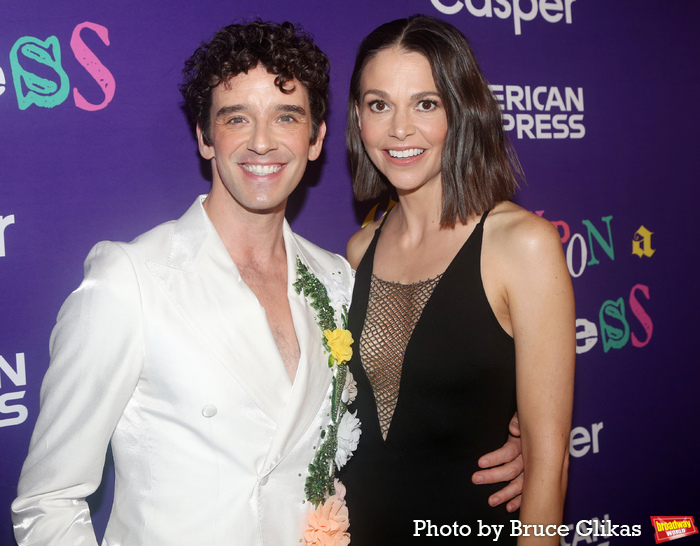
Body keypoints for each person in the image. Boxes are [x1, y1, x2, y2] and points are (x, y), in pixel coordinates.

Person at [11, 19, 525, 546]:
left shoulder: (336, 278)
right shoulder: (131, 280)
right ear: (205, 138)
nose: (262, 143)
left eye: (286, 117)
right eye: (237, 119)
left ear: (317, 138)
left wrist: (509, 438)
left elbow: (385, 412)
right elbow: (48, 503)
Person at [340, 15, 576, 544]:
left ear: (461, 111)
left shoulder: (522, 245)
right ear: (358, 117)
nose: (400, 129)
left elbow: (547, 464)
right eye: (379, 105)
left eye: (426, 103)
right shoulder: (358, 253)